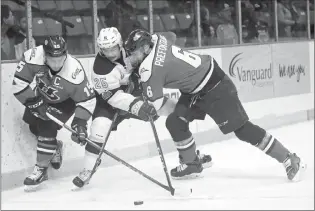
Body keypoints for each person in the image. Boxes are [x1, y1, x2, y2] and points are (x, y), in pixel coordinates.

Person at [124, 29, 306, 181]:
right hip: (197, 85)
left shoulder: (149, 70)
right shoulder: (157, 38)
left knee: (243, 130)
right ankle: (192, 163)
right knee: (175, 122)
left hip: (215, 87)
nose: (131, 57)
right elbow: (170, 36)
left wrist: (139, 100)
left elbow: (157, 104)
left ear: (147, 48)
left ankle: (288, 158)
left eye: (134, 53)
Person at [12, 35, 96, 191]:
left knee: (47, 126)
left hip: (65, 103)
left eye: (60, 59)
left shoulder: (75, 71)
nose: (57, 64)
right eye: (52, 59)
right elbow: (18, 84)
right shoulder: (32, 57)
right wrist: (34, 102)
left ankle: (41, 170)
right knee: (33, 126)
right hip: (40, 97)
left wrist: (80, 123)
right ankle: (55, 147)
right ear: (45, 56)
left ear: (66, 54)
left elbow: (87, 100)